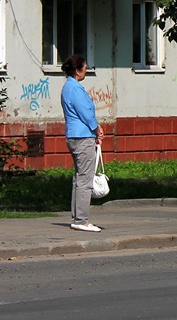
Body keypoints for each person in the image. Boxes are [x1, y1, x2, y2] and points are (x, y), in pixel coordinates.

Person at [61, 54, 103, 232]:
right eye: (85, 68)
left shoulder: (67, 87)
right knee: (85, 180)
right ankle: (82, 220)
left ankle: (77, 217)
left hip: (73, 135)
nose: (86, 71)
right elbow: (84, 112)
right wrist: (96, 128)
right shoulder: (75, 89)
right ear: (78, 71)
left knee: (79, 178)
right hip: (82, 137)